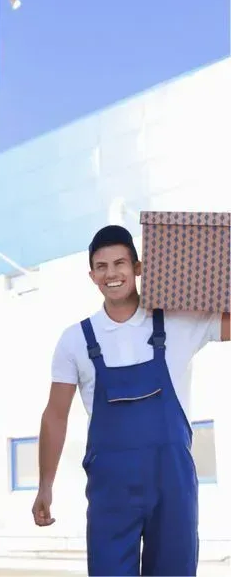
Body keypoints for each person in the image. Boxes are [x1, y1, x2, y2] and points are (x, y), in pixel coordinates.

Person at [31, 224, 230, 576]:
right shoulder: (75, 340)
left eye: (120, 263)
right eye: (102, 266)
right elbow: (55, 416)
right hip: (112, 491)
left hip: (172, 486)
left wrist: (211, 258)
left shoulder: (179, 321)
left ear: (138, 268)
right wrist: (45, 485)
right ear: (91, 275)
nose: (112, 273)